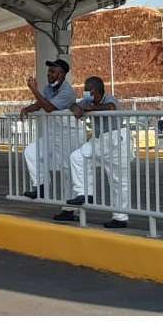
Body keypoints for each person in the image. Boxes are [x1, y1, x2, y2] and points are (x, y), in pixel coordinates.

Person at [55, 76, 130, 228]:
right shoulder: (88, 101)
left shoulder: (109, 98)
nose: (85, 92)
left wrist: (91, 109)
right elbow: (73, 106)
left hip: (117, 140)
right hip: (100, 140)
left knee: (119, 181)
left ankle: (120, 217)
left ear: (96, 91)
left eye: (88, 90)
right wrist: (77, 108)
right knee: (77, 157)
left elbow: (111, 107)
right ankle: (84, 193)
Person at [20, 58, 78, 199]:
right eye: (49, 71)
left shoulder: (67, 92)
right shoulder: (48, 89)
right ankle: (41, 186)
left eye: (52, 71)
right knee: (31, 152)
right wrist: (27, 109)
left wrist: (34, 89)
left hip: (67, 136)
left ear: (62, 74)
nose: (49, 74)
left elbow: (49, 108)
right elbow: (41, 104)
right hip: (52, 135)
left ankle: (69, 209)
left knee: (67, 171)